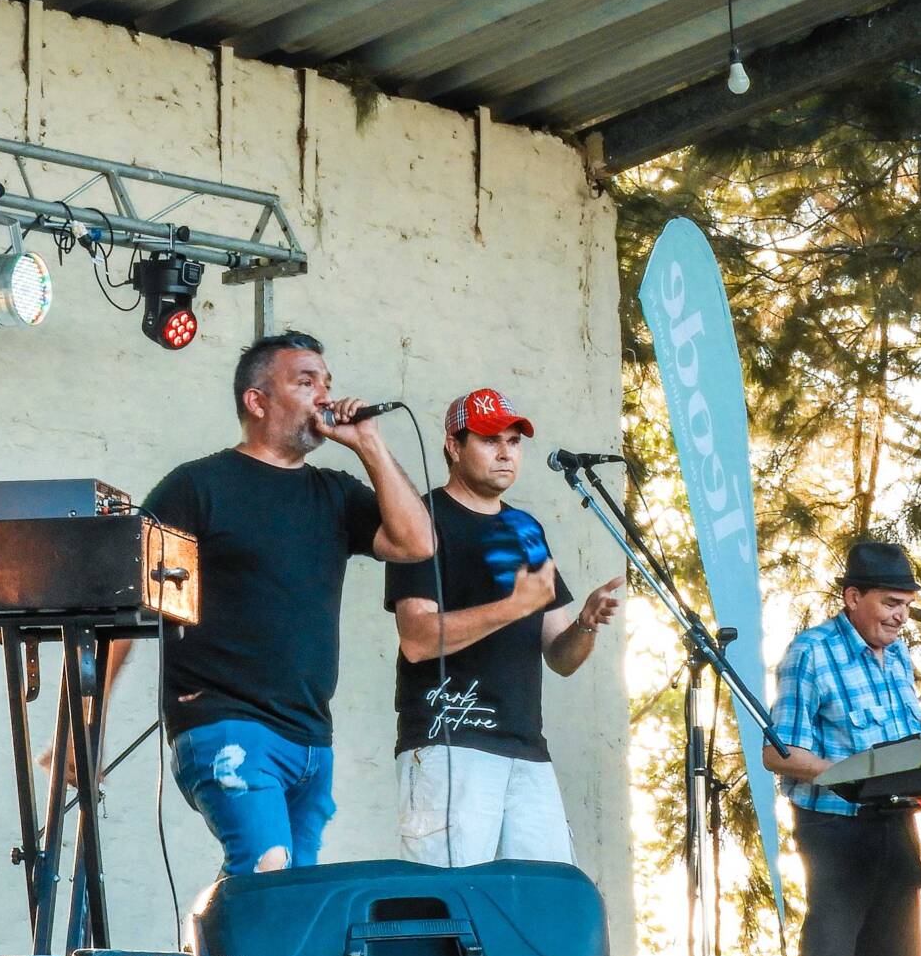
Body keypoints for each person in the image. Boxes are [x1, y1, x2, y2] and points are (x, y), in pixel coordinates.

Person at [128, 331, 435, 875]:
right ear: (257, 399)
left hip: (311, 736)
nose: (324, 395)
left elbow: (417, 543)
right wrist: (86, 719)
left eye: (327, 383)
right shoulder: (198, 486)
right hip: (224, 722)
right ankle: (213, 953)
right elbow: (127, 601)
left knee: (289, 898)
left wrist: (369, 445)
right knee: (267, 869)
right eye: (305, 381)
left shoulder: (335, 492)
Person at [385, 387, 623, 867]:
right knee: (453, 911)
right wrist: (514, 607)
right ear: (454, 446)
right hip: (449, 740)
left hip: (527, 749)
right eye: (491, 439)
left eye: (514, 442)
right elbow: (416, 639)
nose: (505, 452)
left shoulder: (527, 531)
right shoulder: (424, 519)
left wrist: (586, 624)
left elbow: (560, 656)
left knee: (545, 903)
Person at [764, 538, 921, 956]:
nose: (899, 615)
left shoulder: (900, 656)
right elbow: (780, 751)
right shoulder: (811, 652)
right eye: (889, 602)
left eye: (906, 605)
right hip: (835, 830)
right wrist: (855, 775)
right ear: (852, 597)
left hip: (896, 827)